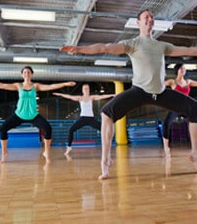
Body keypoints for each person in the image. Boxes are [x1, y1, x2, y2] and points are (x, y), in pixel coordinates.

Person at [60, 9, 197, 180]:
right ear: (138, 22)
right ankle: (106, 159)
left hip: (160, 92)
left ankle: (194, 153)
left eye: (152, 17)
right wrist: (79, 49)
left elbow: (189, 51)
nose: (150, 19)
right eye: (146, 17)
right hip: (139, 91)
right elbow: (105, 47)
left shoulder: (162, 46)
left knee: (195, 109)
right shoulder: (133, 43)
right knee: (106, 113)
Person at [0, 66, 75, 163]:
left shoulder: (35, 86)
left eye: (28, 72)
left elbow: (50, 87)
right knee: (3, 128)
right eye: (25, 72)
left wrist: (65, 84)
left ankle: (47, 153)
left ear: (32, 74)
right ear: (22, 75)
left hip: (33, 115)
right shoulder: (19, 86)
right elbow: (2, 85)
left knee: (48, 129)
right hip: (19, 115)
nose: (27, 74)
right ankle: (4, 153)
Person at [53, 84, 114, 155]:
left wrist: (112, 95)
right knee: (71, 130)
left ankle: (107, 146)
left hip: (91, 119)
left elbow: (102, 96)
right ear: (82, 90)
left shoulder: (91, 97)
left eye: (87, 88)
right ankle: (69, 147)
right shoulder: (80, 98)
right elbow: (69, 97)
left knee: (104, 130)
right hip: (83, 118)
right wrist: (60, 94)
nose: (86, 90)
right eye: (84, 88)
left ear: (89, 90)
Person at [161, 63, 197, 156]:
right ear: (177, 70)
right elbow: (159, 86)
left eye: (184, 68)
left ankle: (194, 148)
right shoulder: (172, 82)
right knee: (166, 123)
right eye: (181, 68)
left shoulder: (188, 82)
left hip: (186, 108)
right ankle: (166, 147)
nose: (183, 70)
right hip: (176, 108)